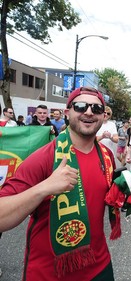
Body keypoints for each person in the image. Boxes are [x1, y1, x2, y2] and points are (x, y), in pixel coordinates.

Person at [0, 87, 117, 280]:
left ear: (103, 116)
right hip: (49, 273)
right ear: (67, 112)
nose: (88, 112)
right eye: (80, 106)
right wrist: (44, 187)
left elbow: (98, 198)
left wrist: (124, 192)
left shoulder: (106, 155)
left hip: (99, 266)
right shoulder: (43, 158)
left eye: (96, 108)